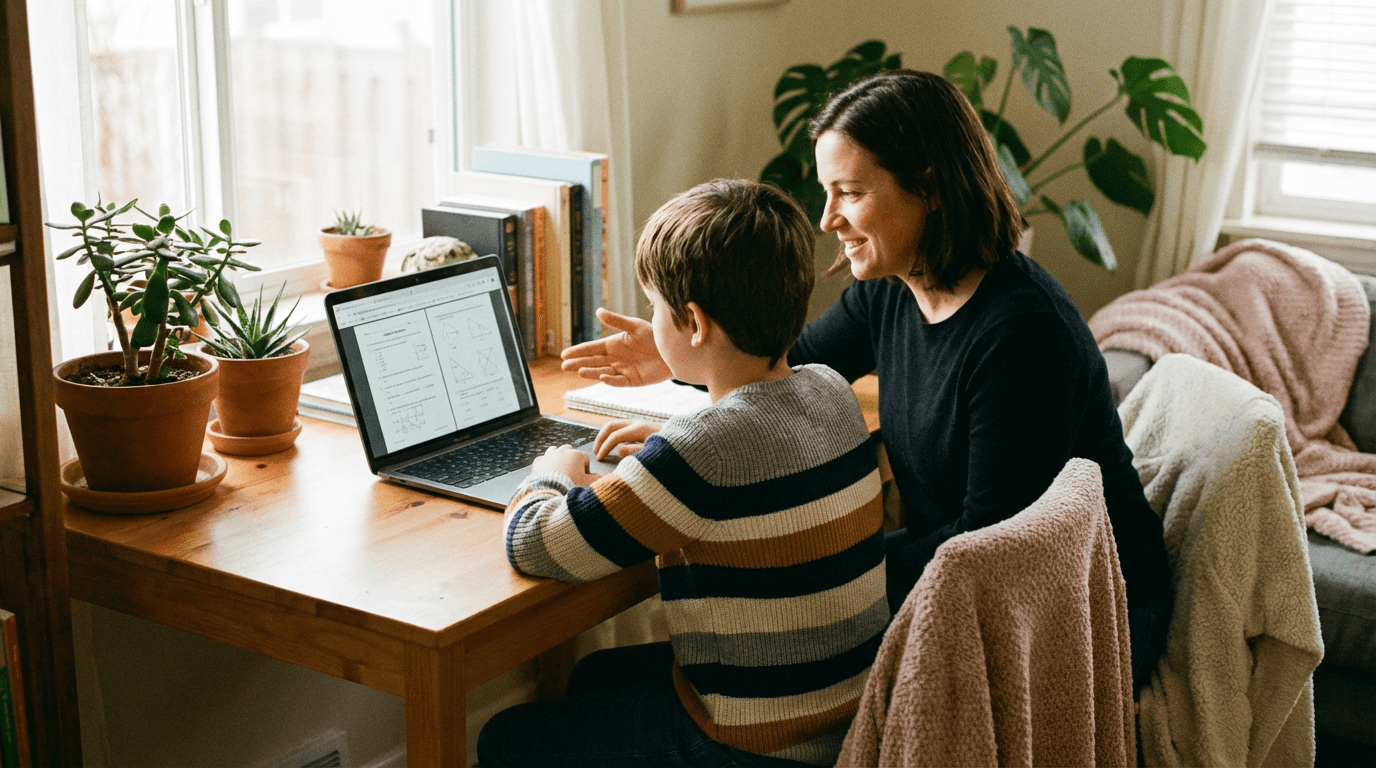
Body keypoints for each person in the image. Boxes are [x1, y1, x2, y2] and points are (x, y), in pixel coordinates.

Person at [561, 70, 1173, 696]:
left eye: (848, 193)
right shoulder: (892, 291)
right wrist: (678, 362)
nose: (827, 220)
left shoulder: (1022, 334)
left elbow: (992, 542)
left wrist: (834, 561)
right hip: (951, 579)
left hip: (1079, 607)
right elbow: (773, 366)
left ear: (928, 187)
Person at [478, 179, 888, 767]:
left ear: (693, 323)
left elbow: (536, 544)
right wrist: (675, 446)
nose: (649, 320)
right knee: (595, 674)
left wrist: (552, 472)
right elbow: (752, 432)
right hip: (845, 719)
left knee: (507, 739)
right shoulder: (828, 388)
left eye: (653, 306)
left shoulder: (702, 451)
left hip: (752, 747)